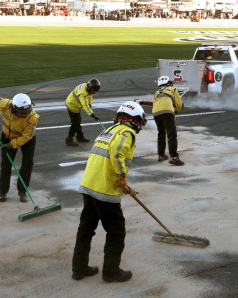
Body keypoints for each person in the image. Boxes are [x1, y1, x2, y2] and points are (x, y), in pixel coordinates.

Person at [71, 101, 147, 283]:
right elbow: (117, 151)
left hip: (89, 185)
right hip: (104, 189)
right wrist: (122, 177)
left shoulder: (109, 130)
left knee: (86, 229)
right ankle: (111, 271)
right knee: (116, 231)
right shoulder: (126, 132)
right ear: (135, 120)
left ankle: (79, 269)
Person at [0, 93, 39, 203]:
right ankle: (2, 191)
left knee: (28, 162)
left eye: (26, 112)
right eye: (22, 113)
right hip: (7, 136)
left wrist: (11, 145)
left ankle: (22, 191)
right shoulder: (4, 105)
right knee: (6, 163)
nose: (25, 115)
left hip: (26, 139)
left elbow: (27, 136)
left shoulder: (33, 117)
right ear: (13, 107)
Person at [152, 76, 184, 165]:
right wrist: (176, 110)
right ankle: (174, 157)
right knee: (171, 134)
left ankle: (161, 155)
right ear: (168, 83)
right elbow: (179, 104)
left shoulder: (156, 92)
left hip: (155, 113)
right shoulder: (173, 89)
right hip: (167, 111)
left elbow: (154, 103)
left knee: (161, 133)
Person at [65, 79, 101, 147]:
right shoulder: (82, 93)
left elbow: (90, 97)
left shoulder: (88, 87)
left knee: (78, 121)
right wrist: (93, 115)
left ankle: (80, 137)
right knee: (75, 123)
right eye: (93, 91)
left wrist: (90, 105)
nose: (93, 93)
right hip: (72, 106)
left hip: (76, 106)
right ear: (89, 88)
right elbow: (85, 105)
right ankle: (69, 140)